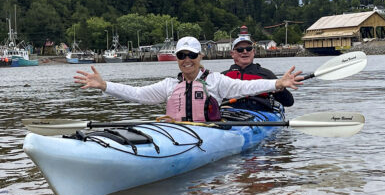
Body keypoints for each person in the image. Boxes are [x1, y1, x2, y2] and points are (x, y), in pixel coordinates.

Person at [74, 36, 303, 122]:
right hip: (178, 131)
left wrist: (277, 84)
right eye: (182, 55)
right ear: (177, 58)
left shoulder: (216, 81)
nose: (187, 60)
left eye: (191, 55)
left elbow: (247, 86)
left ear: (200, 56)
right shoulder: (169, 85)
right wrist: (105, 86)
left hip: (209, 133)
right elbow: (137, 94)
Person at [222, 36, 295, 111]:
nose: (245, 52)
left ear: (253, 52)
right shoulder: (222, 77)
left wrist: (281, 89)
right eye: (240, 50)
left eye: (248, 49)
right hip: (228, 115)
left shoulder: (266, 74)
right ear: (232, 53)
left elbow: (289, 102)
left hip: (260, 116)